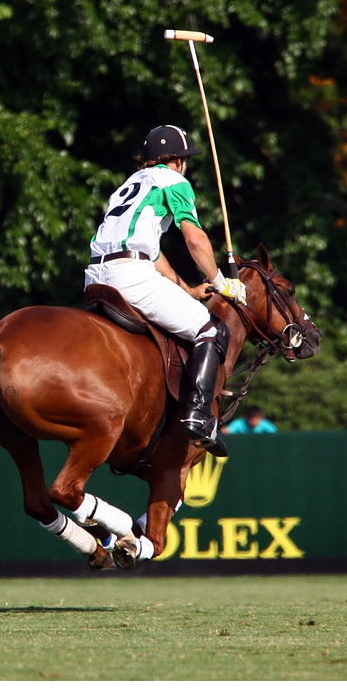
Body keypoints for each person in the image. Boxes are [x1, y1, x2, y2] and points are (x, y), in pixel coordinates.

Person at [84, 124, 247, 456]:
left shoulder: (128, 185)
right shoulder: (174, 180)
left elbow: (153, 253)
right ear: (179, 160)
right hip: (130, 275)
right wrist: (221, 282)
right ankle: (199, 416)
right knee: (211, 330)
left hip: (95, 276)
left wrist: (187, 290)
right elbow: (194, 238)